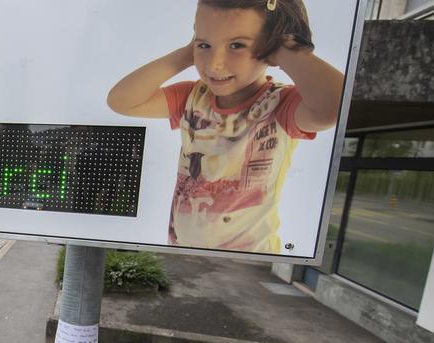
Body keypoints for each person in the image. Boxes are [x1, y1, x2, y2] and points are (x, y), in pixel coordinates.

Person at [106, 0, 344, 253]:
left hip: (249, 263)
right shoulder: (192, 98)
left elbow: (334, 107)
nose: (214, 64)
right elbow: (121, 101)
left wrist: (286, 48)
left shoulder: (280, 105)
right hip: (185, 255)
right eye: (205, 45)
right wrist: (190, 51)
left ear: (270, 48)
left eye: (237, 45)